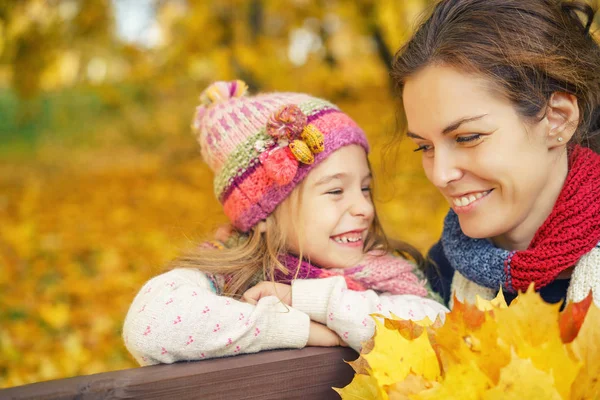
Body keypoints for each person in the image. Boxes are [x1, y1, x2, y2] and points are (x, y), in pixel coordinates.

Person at [122, 80, 448, 365]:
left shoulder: (381, 272)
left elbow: (437, 325)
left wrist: (309, 300)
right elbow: (149, 324)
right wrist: (300, 329)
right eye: (336, 190)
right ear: (264, 213)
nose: (364, 207)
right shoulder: (230, 277)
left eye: (365, 188)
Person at [391, 0, 600, 307]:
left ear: (558, 118)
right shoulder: (436, 278)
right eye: (425, 146)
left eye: (467, 137)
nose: (440, 174)